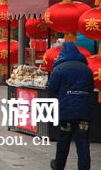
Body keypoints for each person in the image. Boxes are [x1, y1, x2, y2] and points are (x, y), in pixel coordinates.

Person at [48, 42, 94, 170]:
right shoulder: (87, 69)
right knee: (83, 142)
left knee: (63, 140)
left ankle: (59, 165)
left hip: (66, 112)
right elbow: (91, 88)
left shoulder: (59, 69)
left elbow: (51, 88)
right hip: (84, 111)